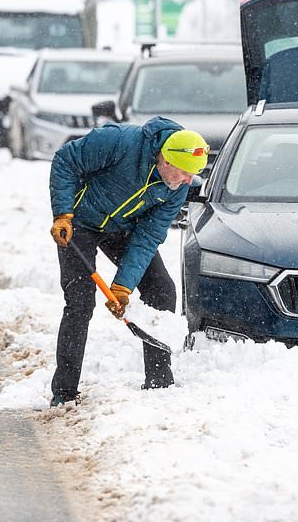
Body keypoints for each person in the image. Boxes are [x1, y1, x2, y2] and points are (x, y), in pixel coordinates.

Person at [47, 117, 208, 406]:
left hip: (123, 228)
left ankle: (159, 381)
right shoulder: (119, 142)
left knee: (162, 289)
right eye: (185, 173)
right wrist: (62, 212)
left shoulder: (178, 187)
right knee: (80, 302)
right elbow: (65, 160)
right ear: (167, 161)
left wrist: (123, 286)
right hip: (79, 223)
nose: (188, 182)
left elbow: (148, 236)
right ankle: (65, 392)